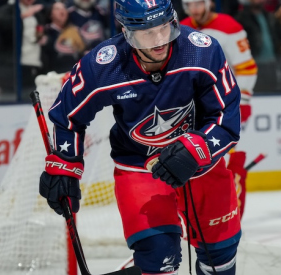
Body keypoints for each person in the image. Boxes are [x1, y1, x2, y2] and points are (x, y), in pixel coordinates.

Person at [38, 0, 242, 274]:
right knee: (157, 255)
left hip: (201, 163)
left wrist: (197, 148)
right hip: (140, 165)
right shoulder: (104, 64)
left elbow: (227, 117)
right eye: (147, 32)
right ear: (126, 31)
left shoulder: (202, 51)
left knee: (220, 254)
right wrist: (65, 164)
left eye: (165, 28)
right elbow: (67, 115)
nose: (160, 40)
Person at [180, 0, 257, 218]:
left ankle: (232, 216)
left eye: (197, 4)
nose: (194, 10)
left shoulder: (229, 26)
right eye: (189, 5)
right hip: (192, 109)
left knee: (229, 161)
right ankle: (196, 217)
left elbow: (247, 68)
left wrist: (241, 102)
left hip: (227, 107)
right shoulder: (181, 26)